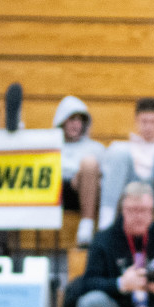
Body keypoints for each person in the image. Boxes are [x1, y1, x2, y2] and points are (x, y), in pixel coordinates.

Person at [99, 97, 154, 240]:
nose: (148, 127)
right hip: (128, 193)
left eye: (153, 122)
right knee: (118, 151)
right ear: (136, 121)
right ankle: (105, 225)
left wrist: (146, 160)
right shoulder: (124, 149)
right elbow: (107, 174)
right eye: (144, 121)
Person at [53, 96, 105, 248]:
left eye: (79, 120)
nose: (75, 124)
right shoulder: (51, 144)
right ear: (62, 121)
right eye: (71, 119)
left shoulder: (96, 148)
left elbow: (106, 179)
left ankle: (86, 225)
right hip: (56, 192)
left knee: (89, 164)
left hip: (84, 192)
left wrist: (82, 176)